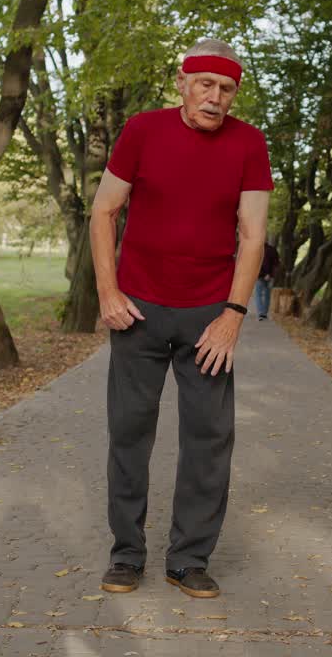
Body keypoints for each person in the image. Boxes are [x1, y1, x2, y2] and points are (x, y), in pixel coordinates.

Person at [89, 38, 272, 599]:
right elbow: (104, 211)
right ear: (183, 82)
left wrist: (233, 317)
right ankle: (126, 555)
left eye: (227, 90)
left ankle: (189, 559)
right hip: (138, 312)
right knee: (130, 433)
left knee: (208, 439)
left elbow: (252, 235)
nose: (216, 98)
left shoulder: (248, 143)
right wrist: (107, 291)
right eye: (206, 85)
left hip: (208, 317)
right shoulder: (143, 131)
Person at [255, 241, 279, 320]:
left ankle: (261, 313)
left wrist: (265, 274)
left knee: (258, 295)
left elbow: (256, 264)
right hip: (268, 277)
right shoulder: (272, 249)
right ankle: (264, 313)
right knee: (267, 295)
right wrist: (270, 275)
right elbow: (276, 264)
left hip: (260, 276)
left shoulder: (257, 249)